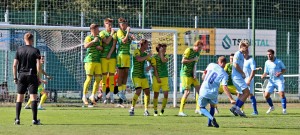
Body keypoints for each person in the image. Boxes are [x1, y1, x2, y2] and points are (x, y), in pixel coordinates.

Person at [13, 32, 41, 125]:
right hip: (32, 75)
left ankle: (17, 119)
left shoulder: (19, 50)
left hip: (21, 75)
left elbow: (14, 65)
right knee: (33, 97)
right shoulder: (36, 50)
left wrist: (15, 78)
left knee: (19, 97)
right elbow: (38, 65)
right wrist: (38, 77)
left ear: (24, 39)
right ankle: (34, 120)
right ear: (32, 40)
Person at [199, 56, 235, 128]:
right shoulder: (225, 74)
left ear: (219, 62)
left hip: (204, 90)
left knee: (201, 108)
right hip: (214, 93)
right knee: (212, 106)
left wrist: (204, 78)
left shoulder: (211, 65)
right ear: (224, 63)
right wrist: (231, 99)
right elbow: (224, 86)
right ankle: (209, 123)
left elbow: (204, 75)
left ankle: (212, 119)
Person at [178, 40, 203, 117]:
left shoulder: (198, 53)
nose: (200, 49)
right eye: (199, 47)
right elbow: (183, 61)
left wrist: (194, 74)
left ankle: (198, 109)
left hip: (191, 74)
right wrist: (192, 59)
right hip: (185, 74)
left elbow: (194, 64)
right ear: (195, 45)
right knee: (187, 92)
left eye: (201, 48)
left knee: (200, 91)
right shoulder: (189, 50)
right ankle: (180, 111)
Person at [128, 39, 152, 116]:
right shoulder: (136, 51)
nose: (148, 46)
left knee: (147, 92)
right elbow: (138, 59)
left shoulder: (145, 54)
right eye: (147, 44)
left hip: (142, 75)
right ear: (143, 45)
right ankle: (132, 108)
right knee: (138, 91)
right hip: (135, 74)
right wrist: (148, 56)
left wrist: (150, 66)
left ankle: (146, 110)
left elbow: (153, 61)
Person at [82, 24, 103, 106]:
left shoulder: (99, 38)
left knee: (98, 79)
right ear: (92, 30)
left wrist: (100, 48)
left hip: (97, 61)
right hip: (89, 61)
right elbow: (85, 46)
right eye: (97, 29)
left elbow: (102, 48)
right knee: (89, 78)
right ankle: (84, 96)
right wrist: (93, 41)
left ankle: (92, 95)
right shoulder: (88, 37)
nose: (98, 30)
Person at [261, 49, 287, 114]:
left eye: (270, 54)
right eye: (267, 54)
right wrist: (263, 75)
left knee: (282, 94)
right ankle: (271, 107)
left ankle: (284, 109)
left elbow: (284, 69)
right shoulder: (266, 62)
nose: (268, 56)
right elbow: (266, 72)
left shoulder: (278, 61)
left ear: (273, 54)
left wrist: (280, 73)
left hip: (279, 80)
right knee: (266, 95)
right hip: (271, 81)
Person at [229, 40, 250, 117]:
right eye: (246, 47)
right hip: (237, 77)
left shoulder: (241, 54)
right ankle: (238, 108)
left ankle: (234, 107)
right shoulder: (238, 54)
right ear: (242, 47)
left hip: (238, 77)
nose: (247, 49)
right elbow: (235, 65)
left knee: (242, 93)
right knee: (247, 92)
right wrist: (242, 73)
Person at [99, 18, 117, 104]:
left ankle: (112, 96)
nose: (109, 25)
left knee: (112, 77)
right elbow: (106, 42)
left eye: (110, 24)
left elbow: (113, 45)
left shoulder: (114, 33)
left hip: (112, 57)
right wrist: (112, 34)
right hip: (103, 57)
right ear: (104, 25)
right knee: (104, 77)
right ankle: (103, 96)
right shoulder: (102, 33)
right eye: (107, 24)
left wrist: (110, 54)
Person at [116, 17, 133, 105]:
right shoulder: (119, 32)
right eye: (122, 24)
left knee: (126, 74)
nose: (124, 26)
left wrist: (132, 37)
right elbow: (124, 41)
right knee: (121, 74)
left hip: (127, 55)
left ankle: (122, 93)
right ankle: (119, 92)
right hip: (121, 55)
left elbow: (130, 40)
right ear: (120, 25)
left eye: (125, 24)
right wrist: (128, 33)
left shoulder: (127, 33)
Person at [151, 43, 169, 116]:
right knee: (156, 95)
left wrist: (162, 53)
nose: (165, 50)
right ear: (159, 49)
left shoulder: (166, 56)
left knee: (166, 94)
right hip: (156, 78)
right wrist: (157, 77)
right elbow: (154, 68)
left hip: (165, 77)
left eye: (165, 49)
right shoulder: (154, 57)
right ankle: (155, 110)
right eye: (163, 49)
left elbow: (163, 60)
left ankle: (162, 109)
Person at [243, 49, 262, 115]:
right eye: (243, 52)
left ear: (247, 52)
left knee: (250, 94)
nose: (243, 54)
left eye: (245, 52)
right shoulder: (242, 60)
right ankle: (238, 109)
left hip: (248, 79)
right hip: (243, 79)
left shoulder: (251, 60)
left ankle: (255, 111)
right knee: (240, 94)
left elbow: (253, 71)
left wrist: (249, 80)